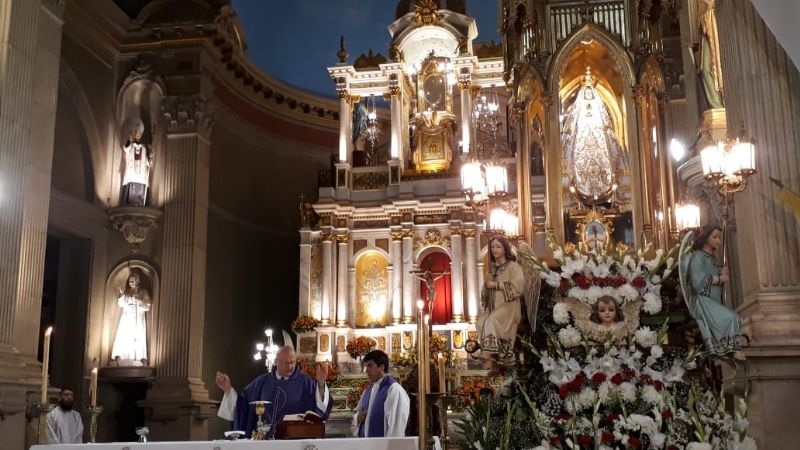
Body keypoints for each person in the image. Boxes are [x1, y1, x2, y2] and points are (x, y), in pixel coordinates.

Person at [216, 346, 332, 437]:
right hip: (265, 441)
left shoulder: (307, 383)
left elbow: (320, 410)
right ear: (276, 361)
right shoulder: (261, 383)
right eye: (285, 362)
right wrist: (228, 389)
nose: (290, 366)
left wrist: (321, 384)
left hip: (296, 440)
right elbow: (242, 405)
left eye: (292, 362)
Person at [684, 225, 742, 356]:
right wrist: (720, 278)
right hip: (702, 302)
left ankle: (726, 348)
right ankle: (730, 349)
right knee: (731, 318)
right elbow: (697, 282)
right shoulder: (697, 256)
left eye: (720, 238)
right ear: (705, 238)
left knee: (737, 319)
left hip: (712, 300)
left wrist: (720, 274)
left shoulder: (711, 259)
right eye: (715, 237)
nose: (718, 241)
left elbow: (714, 281)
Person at [477, 236, 526, 365]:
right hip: (495, 305)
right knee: (481, 322)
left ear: (505, 249)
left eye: (498, 247)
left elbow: (518, 287)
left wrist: (496, 285)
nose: (494, 250)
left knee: (492, 320)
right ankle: (492, 356)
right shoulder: (491, 269)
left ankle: (489, 351)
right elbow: (486, 294)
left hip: (509, 306)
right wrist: (486, 284)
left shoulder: (513, 267)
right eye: (492, 247)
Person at [354, 350, 409, 438]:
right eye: (365, 366)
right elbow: (358, 414)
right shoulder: (367, 391)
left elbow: (396, 428)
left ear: (381, 367)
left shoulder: (393, 390)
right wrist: (358, 417)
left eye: (370, 365)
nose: (366, 370)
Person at [111, 272, 151, 364]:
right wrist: (121, 294)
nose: (131, 283)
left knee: (137, 337)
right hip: (126, 316)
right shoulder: (127, 292)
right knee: (125, 336)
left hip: (137, 318)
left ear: (138, 281)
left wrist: (139, 300)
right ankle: (123, 359)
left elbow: (147, 306)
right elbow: (121, 304)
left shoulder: (143, 292)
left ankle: (137, 359)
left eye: (133, 281)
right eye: (130, 281)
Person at [121, 120, 153, 206]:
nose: (137, 135)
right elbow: (126, 149)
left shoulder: (144, 147)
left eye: (139, 133)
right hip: (132, 173)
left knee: (140, 191)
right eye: (136, 133)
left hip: (141, 175)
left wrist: (150, 157)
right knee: (132, 190)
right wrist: (130, 139)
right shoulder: (130, 145)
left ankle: (141, 202)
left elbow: (148, 162)